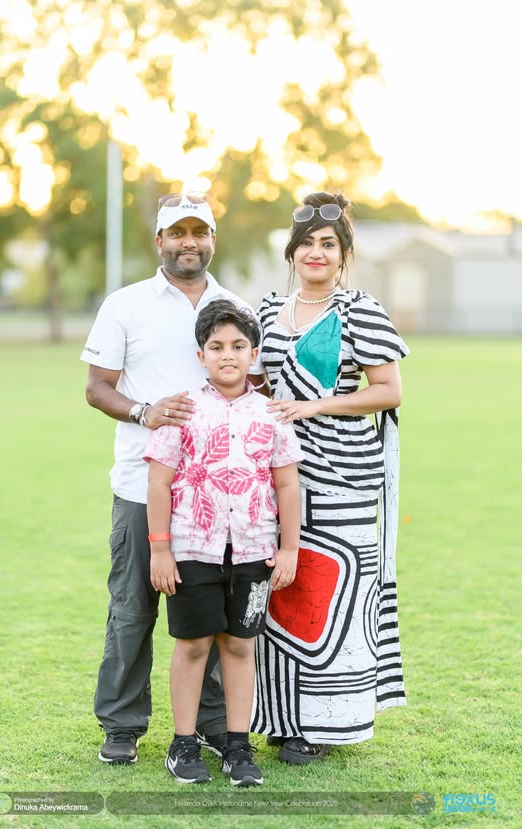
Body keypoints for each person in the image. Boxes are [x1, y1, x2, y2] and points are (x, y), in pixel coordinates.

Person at [80, 193, 264, 764]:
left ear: (213, 239)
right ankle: (122, 724)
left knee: (212, 616)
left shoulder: (235, 304)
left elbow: (251, 387)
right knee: (134, 609)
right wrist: (144, 411)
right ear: (159, 242)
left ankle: (212, 724)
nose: (189, 242)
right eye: (177, 233)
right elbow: (97, 387)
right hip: (145, 487)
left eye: (199, 232)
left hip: (220, 501)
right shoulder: (126, 304)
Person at [251, 191, 409, 764]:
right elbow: (259, 386)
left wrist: (315, 407)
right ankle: (280, 716)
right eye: (307, 245)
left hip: (343, 475)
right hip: (276, 475)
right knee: (280, 589)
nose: (316, 254)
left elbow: (389, 390)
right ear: (291, 253)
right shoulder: (267, 312)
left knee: (330, 589)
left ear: (343, 256)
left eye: (328, 245)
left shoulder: (360, 310)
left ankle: (324, 725)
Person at [143, 300, 302, 786]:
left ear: (253, 353)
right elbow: (158, 483)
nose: (227, 355)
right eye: (216, 347)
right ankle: (183, 743)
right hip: (194, 550)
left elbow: (288, 485)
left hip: (254, 552)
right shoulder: (183, 409)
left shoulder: (271, 414)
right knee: (192, 646)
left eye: (238, 346)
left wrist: (290, 548)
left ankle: (238, 745)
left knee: (239, 645)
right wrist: (160, 548)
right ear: (201, 355)